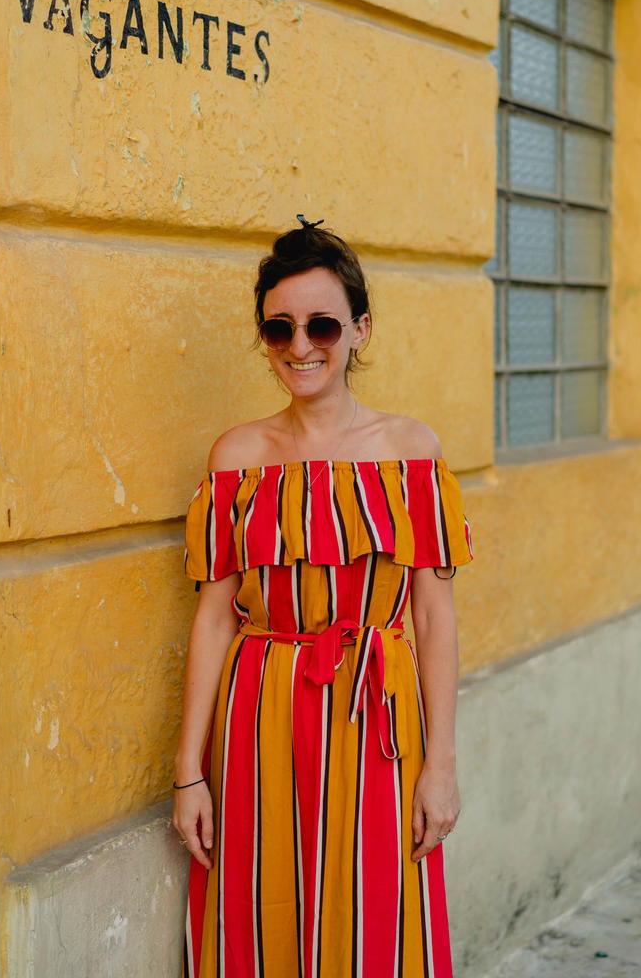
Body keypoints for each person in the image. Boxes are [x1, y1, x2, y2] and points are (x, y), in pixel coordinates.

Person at [173, 217, 473, 978]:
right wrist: (188, 772)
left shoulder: (413, 453)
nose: (300, 345)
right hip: (261, 712)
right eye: (279, 327)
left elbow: (433, 617)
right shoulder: (237, 458)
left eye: (322, 325)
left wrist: (440, 764)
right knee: (259, 903)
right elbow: (213, 617)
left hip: (379, 713)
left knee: (379, 907)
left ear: (360, 329)